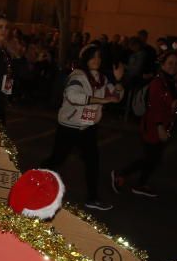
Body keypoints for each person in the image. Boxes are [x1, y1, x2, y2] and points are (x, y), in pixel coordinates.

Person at [40, 43, 124, 211]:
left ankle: (92, 198)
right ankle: (36, 179)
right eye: (93, 56)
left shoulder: (102, 79)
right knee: (57, 159)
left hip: (88, 127)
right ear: (85, 58)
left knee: (93, 162)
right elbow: (73, 96)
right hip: (69, 126)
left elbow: (115, 96)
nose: (97, 60)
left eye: (99, 57)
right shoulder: (77, 76)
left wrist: (119, 82)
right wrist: (102, 100)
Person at [111, 49, 177, 198]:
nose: (173, 66)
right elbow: (155, 107)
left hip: (163, 126)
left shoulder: (172, 83)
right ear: (162, 64)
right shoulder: (158, 82)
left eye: (176, 63)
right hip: (153, 127)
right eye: (170, 63)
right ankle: (121, 174)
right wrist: (160, 128)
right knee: (151, 158)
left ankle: (139, 183)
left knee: (154, 158)